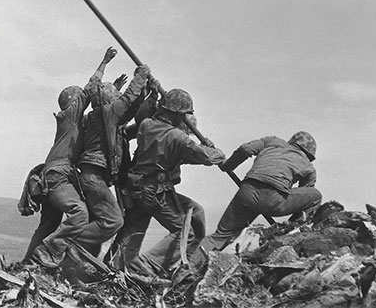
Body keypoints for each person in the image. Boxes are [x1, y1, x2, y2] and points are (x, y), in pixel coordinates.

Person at [113, 89, 226, 277]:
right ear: (176, 114)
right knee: (185, 232)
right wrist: (216, 151)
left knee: (194, 212)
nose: (184, 119)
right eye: (183, 115)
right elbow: (207, 157)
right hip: (154, 192)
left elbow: (174, 153)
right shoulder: (177, 137)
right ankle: (150, 264)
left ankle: (116, 266)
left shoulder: (147, 125)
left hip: (135, 188)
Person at [23, 47, 117, 267]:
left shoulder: (73, 123)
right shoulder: (70, 116)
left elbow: (97, 105)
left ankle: (28, 265)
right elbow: (90, 88)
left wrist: (113, 92)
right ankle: (50, 252)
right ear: (73, 102)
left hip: (53, 176)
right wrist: (104, 62)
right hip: (58, 176)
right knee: (79, 213)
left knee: (48, 225)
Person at [193, 131, 321, 259]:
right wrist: (291, 224)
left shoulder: (272, 141)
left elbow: (245, 149)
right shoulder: (309, 167)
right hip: (274, 200)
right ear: (309, 154)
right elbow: (304, 197)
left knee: (219, 237)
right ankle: (290, 233)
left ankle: (188, 266)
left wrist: (228, 166)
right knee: (315, 196)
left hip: (247, 193)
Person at [73, 62, 152, 254]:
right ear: (110, 101)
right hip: (94, 177)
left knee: (98, 223)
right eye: (116, 98)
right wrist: (141, 75)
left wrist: (148, 94)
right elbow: (128, 100)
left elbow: (130, 110)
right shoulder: (108, 114)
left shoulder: (100, 118)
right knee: (113, 220)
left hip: (92, 176)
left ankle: (79, 261)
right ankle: (67, 243)